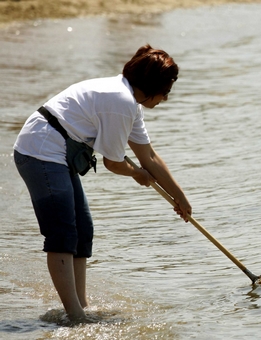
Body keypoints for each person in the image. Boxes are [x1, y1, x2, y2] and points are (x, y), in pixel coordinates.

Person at [13, 44, 192, 323]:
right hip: (39, 151)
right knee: (62, 233)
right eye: (167, 90)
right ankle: (74, 315)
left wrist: (181, 197)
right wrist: (137, 174)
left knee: (83, 230)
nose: (166, 98)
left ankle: (80, 306)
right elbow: (114, 163)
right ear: (154, 86)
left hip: (58, 153)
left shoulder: (130, 105)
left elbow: (150, 156)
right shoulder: (120, 102)